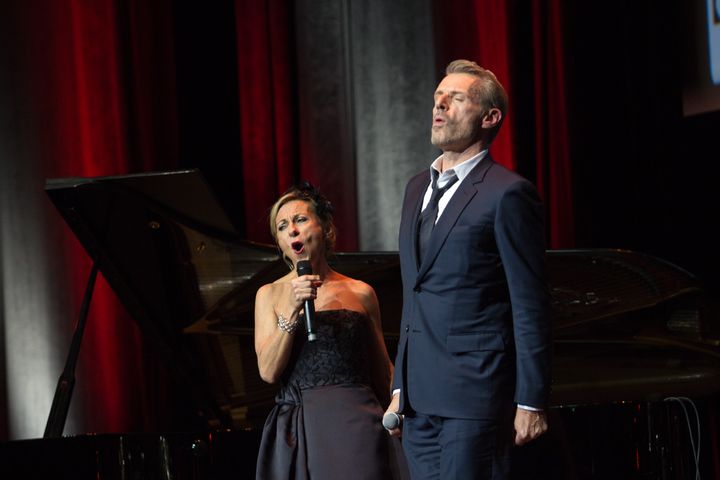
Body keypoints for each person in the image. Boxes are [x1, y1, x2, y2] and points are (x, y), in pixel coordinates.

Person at [383, 59, 553, 479]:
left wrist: (531, 400)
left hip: (475, 397)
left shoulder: (508, 194)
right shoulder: (416, 188)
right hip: (418, 401)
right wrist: (399, 387)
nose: (439, 106)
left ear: (489, 117)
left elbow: (530, 304)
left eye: (455, 99)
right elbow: (414, 295)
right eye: (438, 98)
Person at [254, 182, 407, 479]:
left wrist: (400, 407)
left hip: (358, 424)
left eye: (300, 220)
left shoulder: (361, 292)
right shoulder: (269, 294)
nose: (292, 231)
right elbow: (268, 372)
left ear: (325, 228)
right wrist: (292, 309)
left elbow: (383, 371)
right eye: (282, 226)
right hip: (302, 429)